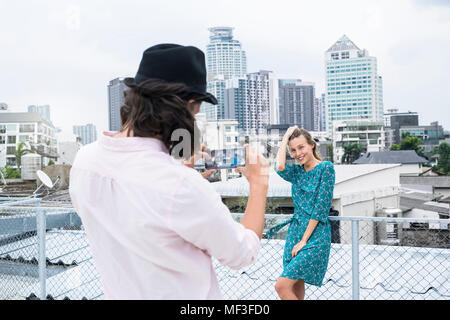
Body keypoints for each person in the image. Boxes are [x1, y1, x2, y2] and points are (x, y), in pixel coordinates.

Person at [69, 44, 269, 299]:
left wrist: (177, 174)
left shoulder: (85, 161)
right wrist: (259, 183)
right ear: (186, 106)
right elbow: (241, 254)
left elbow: (136, 209)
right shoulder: (180, 187)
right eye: (195, 112)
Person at [271, 126, 335, 300]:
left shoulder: (326, 168)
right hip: (295, 233)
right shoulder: (296, 172)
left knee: (281, 286)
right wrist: (285, 137)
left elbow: (321, 208)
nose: (297, 153)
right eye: (293, 150)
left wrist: (304, 240)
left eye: (301, 147)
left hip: (315, 235)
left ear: (311, 145)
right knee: (295, 289)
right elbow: (280, 166)